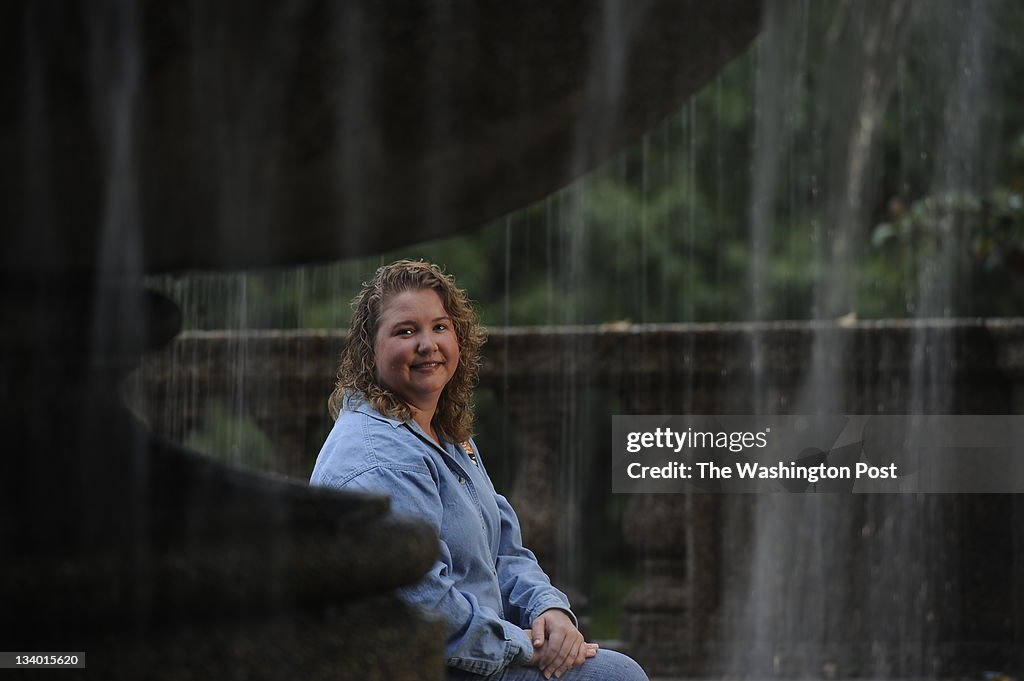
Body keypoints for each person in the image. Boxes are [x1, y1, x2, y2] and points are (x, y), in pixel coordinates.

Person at [310, 260, 649, 681]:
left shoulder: (443, 434)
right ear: (370, 350)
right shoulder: (380, 457)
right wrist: (527, 646)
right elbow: (423, 604)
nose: (427, 344)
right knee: (614, 677)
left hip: (467, 656)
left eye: (439, 327)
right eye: (405, 331)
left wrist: (551, 609)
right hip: (421, 667)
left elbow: (504, 549)